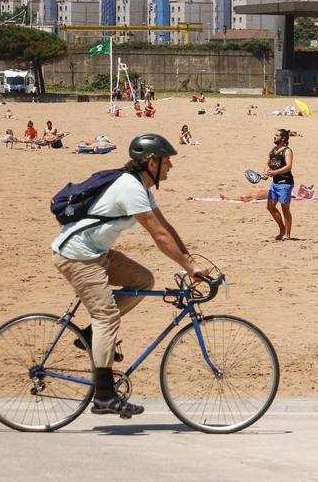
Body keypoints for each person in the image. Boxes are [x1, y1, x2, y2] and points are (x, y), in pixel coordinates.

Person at [51, 133, 208, 419]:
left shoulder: (142, 188)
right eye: (167, 161)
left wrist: (191, 261)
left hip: (97, 252)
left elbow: (166, 226)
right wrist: (188, 266)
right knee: (107, 317)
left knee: (143, 281)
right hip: (76, 255)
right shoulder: (130, 188)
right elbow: (158, 236)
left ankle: (88, 335)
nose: (170, 166)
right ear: (151, 162)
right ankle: (105, 396)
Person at [262, 129, 294, 241]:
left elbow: (289, 166)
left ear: (283, 138)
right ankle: (282, 229)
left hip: (285, 183)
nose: (274, 137)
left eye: (277, 135)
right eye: (274, 135)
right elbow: (268, 164)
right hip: (275, 183)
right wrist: (266, 173)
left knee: (285, 209)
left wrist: (275, 172)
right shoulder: (273, 151)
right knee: (270, 206)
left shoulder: (287, 151)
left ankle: (287, 234)